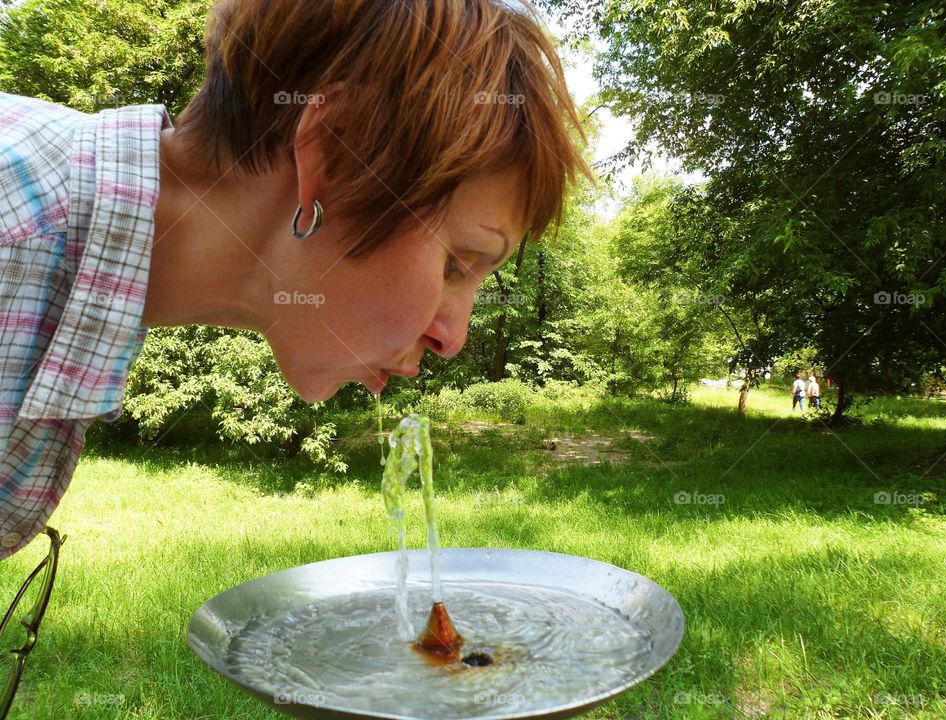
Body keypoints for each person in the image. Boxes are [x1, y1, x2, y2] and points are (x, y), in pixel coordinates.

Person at [0, 0, 591, 709]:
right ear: (330, 151)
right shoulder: (15, 238)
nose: (452, 336)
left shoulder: (57, 239)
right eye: (459, 263)